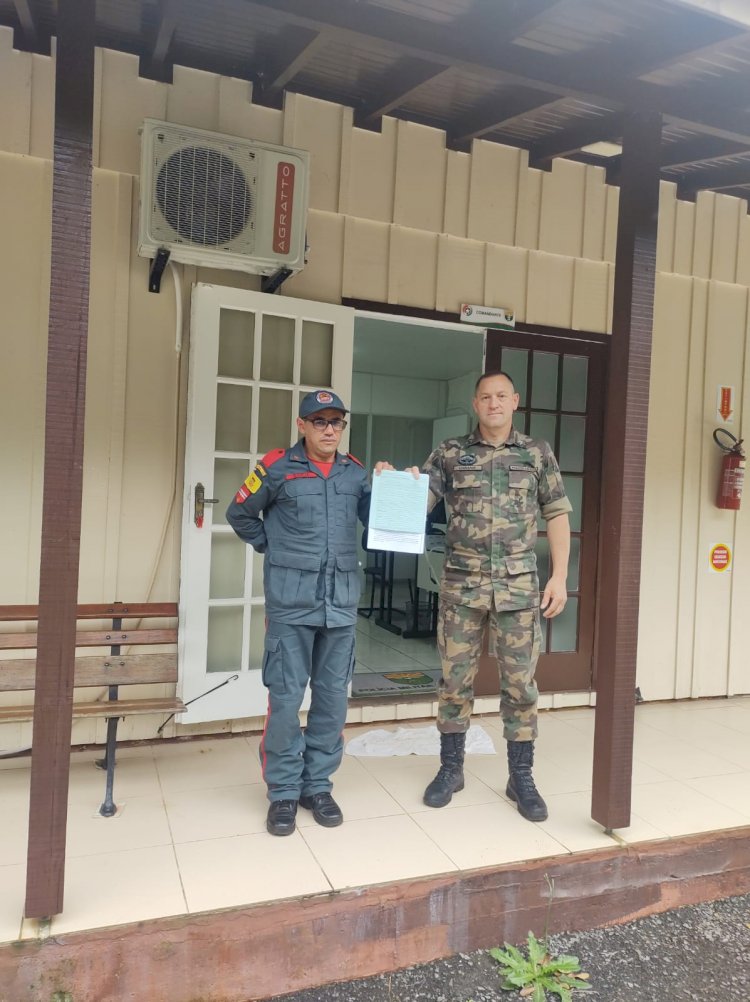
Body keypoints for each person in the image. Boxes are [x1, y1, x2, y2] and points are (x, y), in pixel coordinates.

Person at [420, 370, 571, 822]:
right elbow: (414, 506)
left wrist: (559, 575)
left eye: (501, 396)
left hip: (519, 589)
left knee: (521, 685)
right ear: (475, 403)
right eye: (485, 396)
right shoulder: (450, 452)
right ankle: (451, 769)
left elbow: (558, 513)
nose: (493, 403)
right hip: (462, 588)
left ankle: (520, 776)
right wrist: (395, 484)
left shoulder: (536, 452)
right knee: (454, 682)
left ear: (515, 401)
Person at [226, 389, 370, 837]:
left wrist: (394, 487)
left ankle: (317, 785)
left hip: (340, 603)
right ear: (302, 425)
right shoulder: (275, 468)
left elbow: (379, 521)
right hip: (291, 603)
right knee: (286, 700)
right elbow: (240, 515)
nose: (329, 429)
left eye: (336, 422)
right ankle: (284, 791)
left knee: (331, 698)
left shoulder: (356, 473)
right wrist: (275, 546)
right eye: (320, 421)